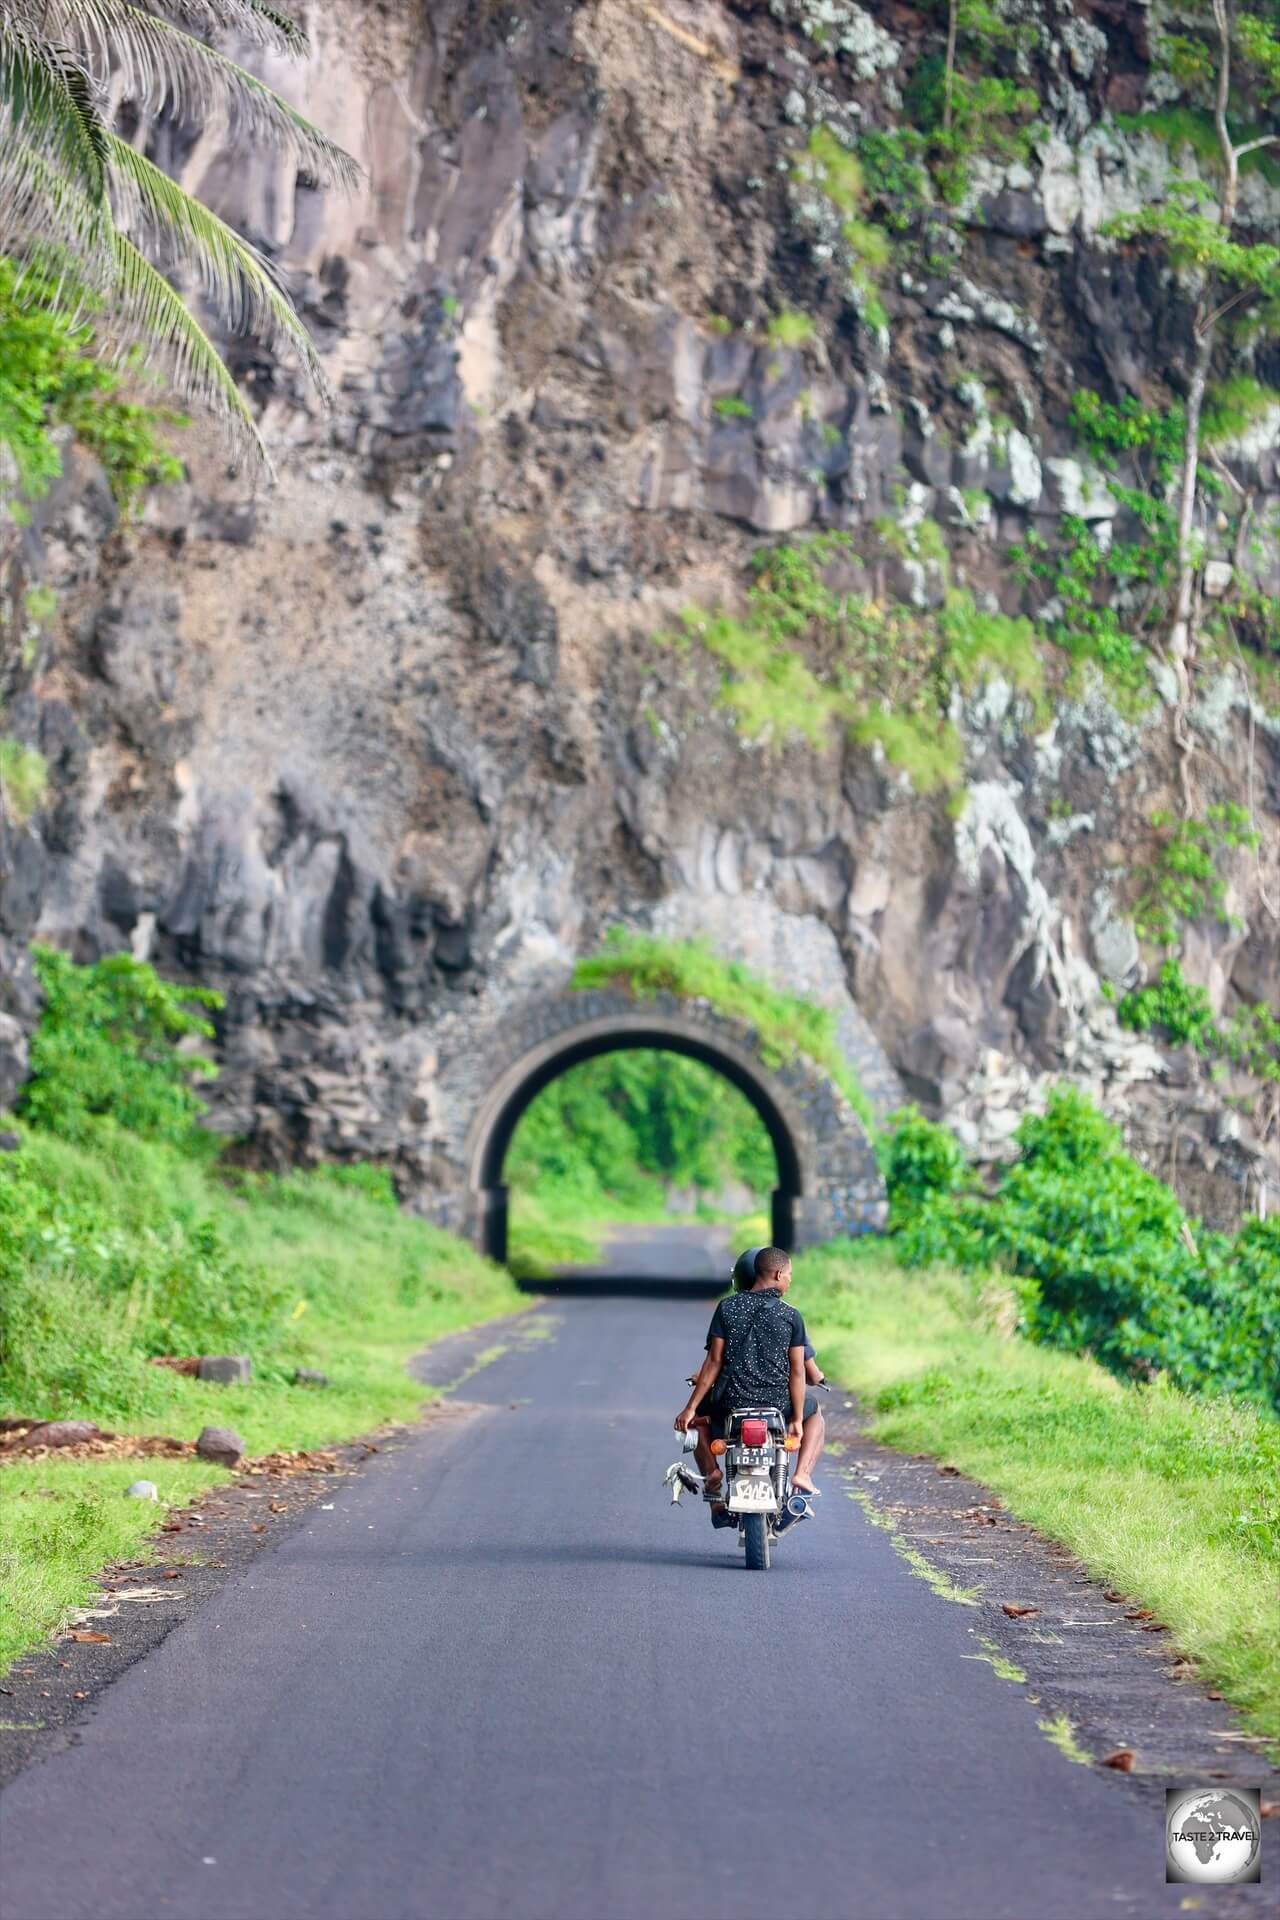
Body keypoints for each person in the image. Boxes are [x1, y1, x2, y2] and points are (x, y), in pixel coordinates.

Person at [675, 1246, 823, 1517]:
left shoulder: (727, 1307)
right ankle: (802, 1474)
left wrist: (690, 1407)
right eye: (790, 1275)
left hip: (731, 1404)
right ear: (778, 1274)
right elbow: (798, 1372)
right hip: (777, 1405)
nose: (790, 1280)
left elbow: (714, 1362)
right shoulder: (791, 1316)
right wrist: (798, 1420)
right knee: (817, 1415)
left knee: (696, 1422)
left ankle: (712, 1473)